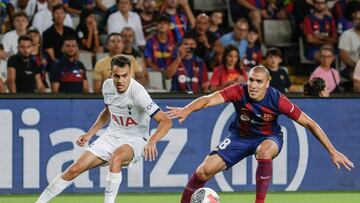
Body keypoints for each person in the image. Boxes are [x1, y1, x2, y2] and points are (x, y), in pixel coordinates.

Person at [166, 65, 354, 203]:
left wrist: (332, 151)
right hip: (239, 136)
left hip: (268, 137)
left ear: (267, 83)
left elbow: (309, 123)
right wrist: (187, 110)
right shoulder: (238, 91)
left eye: (259, 82)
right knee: (202, 171)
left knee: (264, 152)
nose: (253, 85)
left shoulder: (277, 99)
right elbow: (208, 99)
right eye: (251, 80)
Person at [35, 55, 172, 203]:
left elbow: (165, 120)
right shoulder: (107, 86)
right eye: (116, 76)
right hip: (112, 136)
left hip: (136, 138)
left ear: (131, 73)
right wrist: (89, 134)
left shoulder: (138, 93)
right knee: (73, 170)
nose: (120, 80)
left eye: (125, 76)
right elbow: (108, 111)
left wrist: (152, 141)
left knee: (116, 157)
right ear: (110, 74)